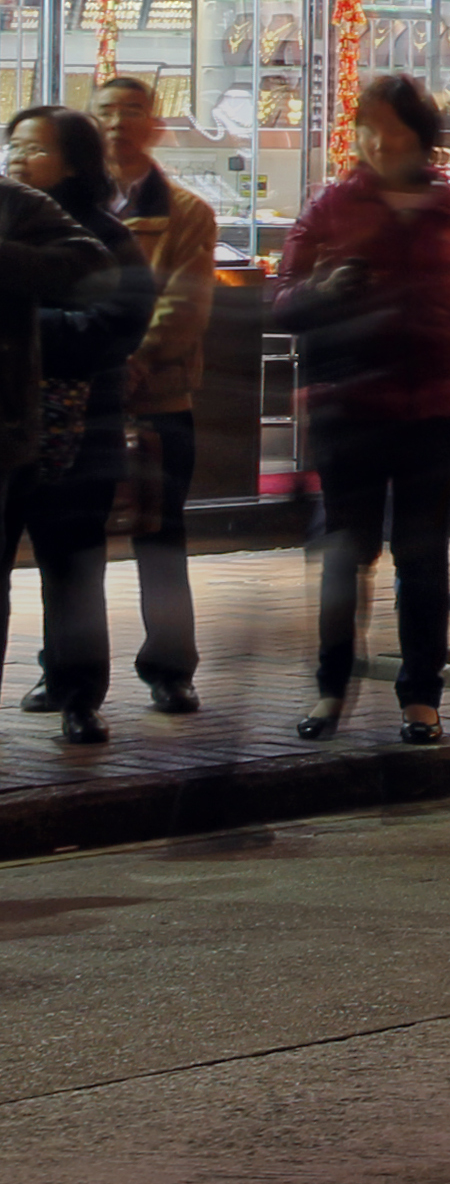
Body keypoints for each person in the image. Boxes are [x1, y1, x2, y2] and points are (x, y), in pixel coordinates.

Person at [279, 77, 450, 746]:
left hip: (437, 410)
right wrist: (324, 288)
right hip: (349, 409)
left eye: (396, 130)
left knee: (422, 557)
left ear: (422, 139)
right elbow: (281, 302)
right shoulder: (331, 207)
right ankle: (331, 689)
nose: (380, 141)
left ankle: (421, 698)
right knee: (343, 554)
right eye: (368, 128)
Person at [4, 110, 149, 747]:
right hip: (12, 421)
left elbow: (117, 322)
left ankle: (80, 691)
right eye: (12, 144)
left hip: (79, 422)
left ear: (72, 162)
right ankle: (52, 675)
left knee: (73, 565)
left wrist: (31, 334)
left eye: (33, 148)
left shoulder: (99, 237)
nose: (16, 157)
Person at [92, 78, 218, 713]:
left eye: (131, 111)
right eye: (105, 112)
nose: (117, 123)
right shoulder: (63, 205)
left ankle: (170, 668)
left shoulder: (186, 211)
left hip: (159, 399)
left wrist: (135, 361)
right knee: (74, 543)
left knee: (160, 538)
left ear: (155, 123)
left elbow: (185, 303)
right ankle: (69, 674)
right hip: (78, 400)